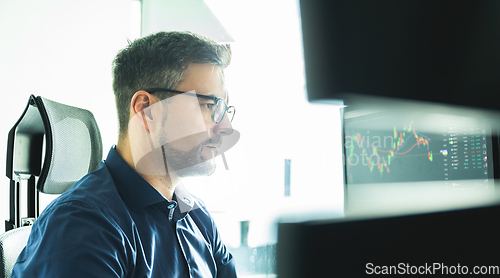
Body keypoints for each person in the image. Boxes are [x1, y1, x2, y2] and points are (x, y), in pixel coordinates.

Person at [12, 31, 237, 277]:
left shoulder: (196, 216)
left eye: (225, 109)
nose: (225, 127)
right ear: (147, 110)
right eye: (210, 106)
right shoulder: (84, 226)